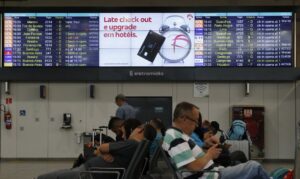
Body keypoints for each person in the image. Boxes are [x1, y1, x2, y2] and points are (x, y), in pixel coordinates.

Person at [162, 101, 270, 179]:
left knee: (247, 167)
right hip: (210, 175)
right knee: (254, 167)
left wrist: (205, 148)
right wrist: (209, 154)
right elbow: (193, 167)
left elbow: (191, 160)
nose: (195, 126)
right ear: (183, 118)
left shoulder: (177, 135)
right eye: (194, 121)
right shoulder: (175, 137)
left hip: (212, 172)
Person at [37, 124, 157, 179]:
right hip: (90, 170)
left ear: (140, 130)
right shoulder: (138, 146)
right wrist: (103, 152)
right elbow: (103, 150)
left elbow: (103, 148)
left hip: (89, 173)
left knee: (45, 177)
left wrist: (102, 151)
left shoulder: (131, 143)